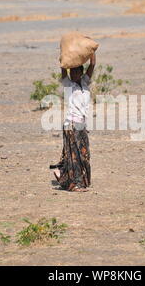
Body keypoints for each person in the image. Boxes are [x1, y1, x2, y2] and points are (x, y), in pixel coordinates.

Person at [52, 53, 96, 192]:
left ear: (81, 72)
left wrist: (92, 51)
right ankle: (75, 184)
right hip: (71, 125)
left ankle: (62, 174)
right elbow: (63, 68)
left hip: (81, 125)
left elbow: (92, 65)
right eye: (72, 72)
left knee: (84, 155)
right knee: (75, 157)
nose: (74, 74)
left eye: (77, 72)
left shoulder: (84, 83)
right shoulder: (68, 85)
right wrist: (63, 54)